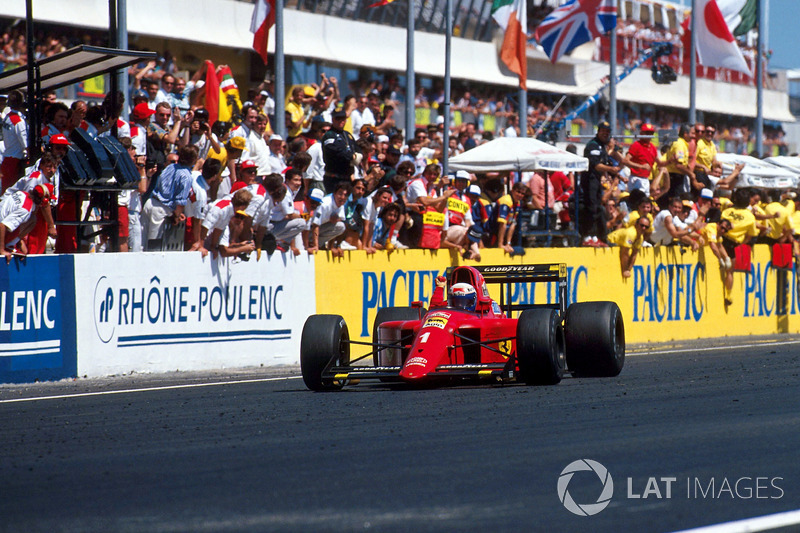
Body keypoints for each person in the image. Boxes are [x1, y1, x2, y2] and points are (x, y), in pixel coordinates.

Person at [141, 145, 198, 249]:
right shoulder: (186, 176)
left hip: (151, 202)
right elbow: (180, 201)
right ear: (193, 160)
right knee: (154, 246)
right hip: (162, 210)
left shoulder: (170, 167)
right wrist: (176, 216)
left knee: (142, 242)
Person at [580, 121, 621, 246]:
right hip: (589, 181)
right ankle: (588, 237)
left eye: (607, 132)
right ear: (598, 131)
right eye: (603, 131)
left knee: (599, 209)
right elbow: (596, 165)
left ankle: (599, 237)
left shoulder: (603, 146)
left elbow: (616, 157)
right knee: (592, 208)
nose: (605, 134)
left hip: (597, 181)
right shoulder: (593, 145)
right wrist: (611, 170)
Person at [0, 184, 54, 262]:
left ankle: (10, 244)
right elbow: (2, 226)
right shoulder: (25, 209)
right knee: (31, 219)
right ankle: (7, 246)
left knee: (32, 219)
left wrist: (20, 242)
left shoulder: (22, 193)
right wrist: (2, 250)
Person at [321, 109, 360, 192]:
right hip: (334, 178)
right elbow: (335, 151)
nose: (341, 121)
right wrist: (351, 156)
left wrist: (359, 155)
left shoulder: (348, 135)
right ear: (333, 119)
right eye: (338, 119)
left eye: (343, 119)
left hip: (347, 178)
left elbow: (357, 149)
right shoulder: (329, 135)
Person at [308, 181, 350, 256]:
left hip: (320, 230)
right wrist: (316, 246)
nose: (343, 197)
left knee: (340, 226)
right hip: (308, 230)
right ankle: (313, 244)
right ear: (334, 193)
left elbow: (334, 224)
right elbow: (315, 225)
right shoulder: (325, 204)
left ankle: (318, 244)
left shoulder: (341, 206)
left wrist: (331, 247)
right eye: (340, 194)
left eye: (345, 195)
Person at [607, 213, 650, 278]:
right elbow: (625, 253)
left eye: (646, 227)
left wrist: (628, 270)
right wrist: (625, 270)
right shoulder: (631, 233)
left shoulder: (640, 237)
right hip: (609, 242)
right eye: (642, 225)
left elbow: (634, 254)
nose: (643, 228)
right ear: (636, 224)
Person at [1, 90, 27, 192]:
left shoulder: (7, 117)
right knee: (11, 191)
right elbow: (25, 144)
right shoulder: (18, 121)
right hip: (15, 161)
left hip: (8, 157)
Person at [626, 123, 659, 195]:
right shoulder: (636, 145)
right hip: (636, 178)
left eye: (651, 133)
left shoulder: (652, 147)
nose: (649, 135)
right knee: (638, 201)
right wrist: (641, 166)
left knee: (645, 202)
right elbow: (625, 161)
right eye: (647, 133)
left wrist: (670, 161)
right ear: (641, 133)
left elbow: (659, 163)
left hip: (646, 179)